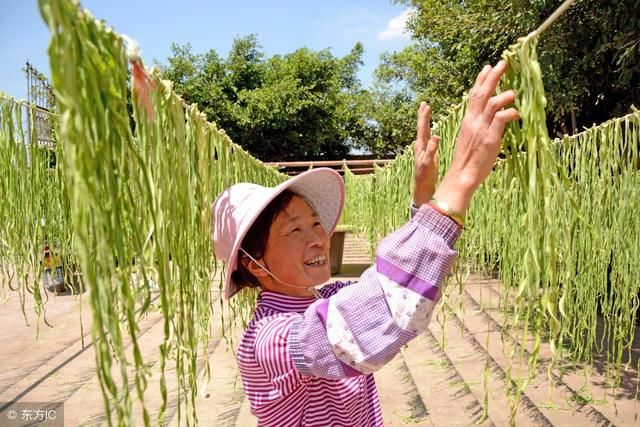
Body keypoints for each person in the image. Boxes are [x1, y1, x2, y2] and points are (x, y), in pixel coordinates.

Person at [211, 61, 519, 426]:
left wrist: (422, 197)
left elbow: (397, 292)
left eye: (315, 223)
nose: (317, 239)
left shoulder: (326, 297)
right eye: (294, 230)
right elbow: (375, 316)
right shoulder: (271, 340)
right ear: (252, 261)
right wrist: (463, 174)